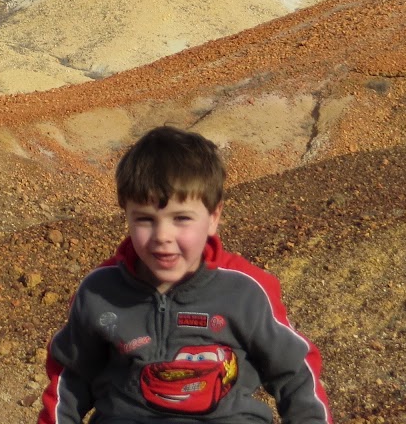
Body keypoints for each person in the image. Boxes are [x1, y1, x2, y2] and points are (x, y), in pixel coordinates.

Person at [39, 125, 331, 424]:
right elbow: (70, 379)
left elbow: (295, 372)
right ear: (124, 213)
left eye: (181, 218)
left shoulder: (245, 290)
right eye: (144, 219)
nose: (162, 235)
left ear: (213, 218)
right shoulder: (99, 291)